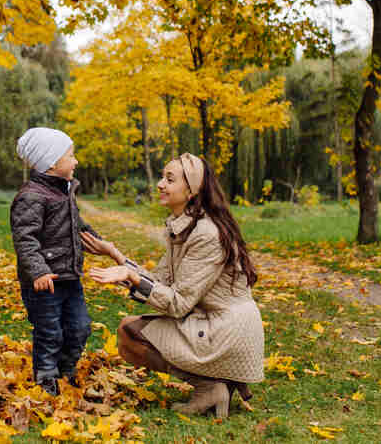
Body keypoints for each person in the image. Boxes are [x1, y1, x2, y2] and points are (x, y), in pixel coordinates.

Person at [85, 152, 263, 416]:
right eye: (162, 177)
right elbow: (160, 282)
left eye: (169, 179)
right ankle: (215, 382)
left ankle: (210, 385)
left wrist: (131, 276)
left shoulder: (206, 234)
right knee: (129, 332)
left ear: (192, 190)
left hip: (227, 331)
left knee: (129, 334)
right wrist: (115, 254)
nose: (160, 184)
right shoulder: (185, 226)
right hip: (213, 322)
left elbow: (178, 304)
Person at [11, 127, 108, 396]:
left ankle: (66, 370)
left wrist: (96, 242)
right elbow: (25, 239)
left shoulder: (65, 191)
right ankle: (46, 379)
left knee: (79, 327)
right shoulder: (31, 197)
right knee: (49, 331)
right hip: (44, 283)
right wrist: (39, 271)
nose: (76, 161)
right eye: (71, 155)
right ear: (52, 162)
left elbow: (76, 224)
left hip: (70, 277)